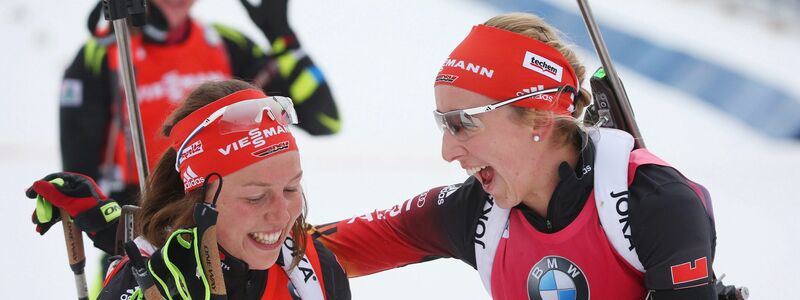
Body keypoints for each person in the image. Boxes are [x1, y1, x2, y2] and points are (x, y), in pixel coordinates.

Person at [310, 13, 722, 299]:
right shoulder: (476, 212)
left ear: (538, 119)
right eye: (443, 124)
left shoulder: (653, 203)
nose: (448, 152)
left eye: (463, 123)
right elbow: (313, 253)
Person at [27, 79, 350, 299]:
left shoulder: (313, 266)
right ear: (199, 198)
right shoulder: (151, 280)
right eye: (255, 196)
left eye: (291, 189)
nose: (281, 214)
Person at [59, 0, 341, 210]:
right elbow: (79, 175)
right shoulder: (103, 54)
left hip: (227, 222)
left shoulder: (226, 44)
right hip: (141, 225)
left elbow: (324, 120)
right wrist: (111, 228)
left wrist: (284, 38)